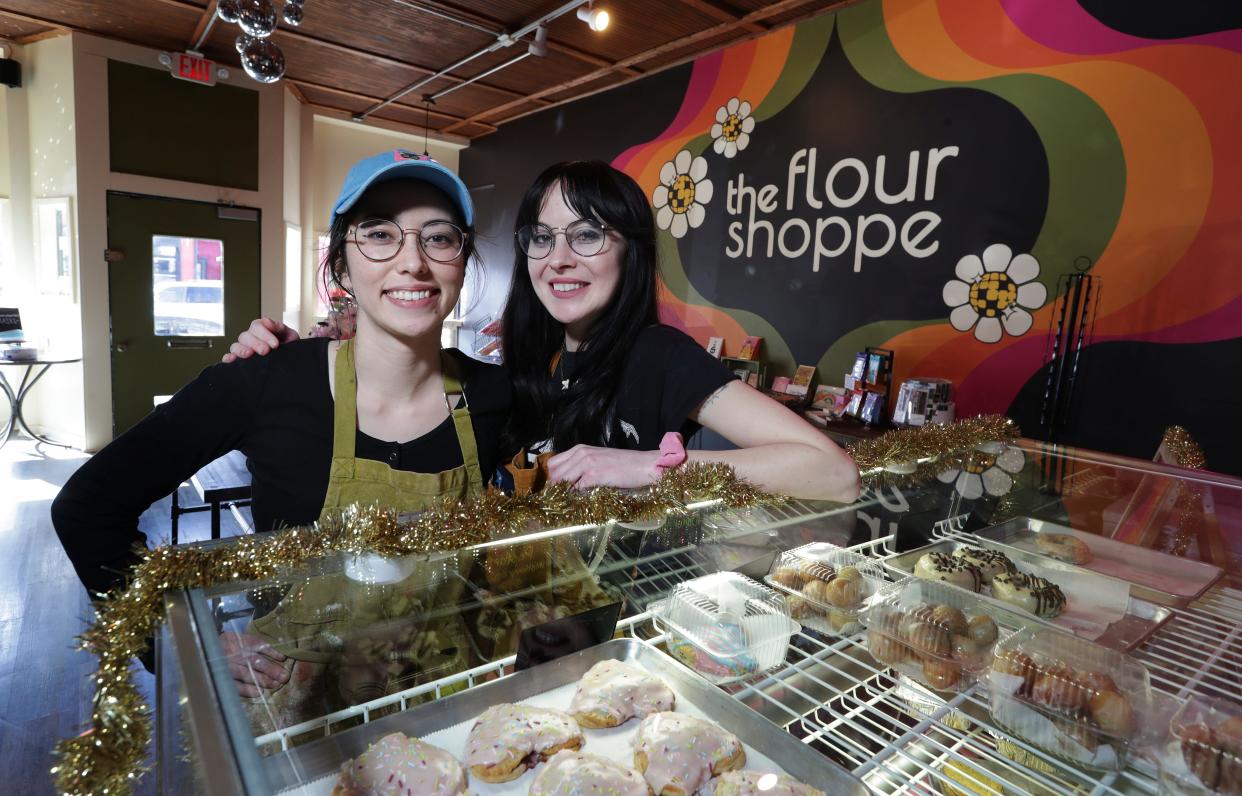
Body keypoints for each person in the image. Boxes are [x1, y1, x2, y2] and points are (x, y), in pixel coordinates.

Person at [52, 150, 510, 707]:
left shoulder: (496, 396)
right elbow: (87, 508)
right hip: (300, 716)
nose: (412, 262)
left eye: (438, 237)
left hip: (448, 698)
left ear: (462, 260)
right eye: (378, 234)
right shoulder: (266, 382)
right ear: (341, 265)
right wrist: (185, 640)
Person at [226, 161, 860, 502]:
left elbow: (831, 473)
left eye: (587, 234)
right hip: (521, 626)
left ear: (629, 252)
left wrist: (646, 467)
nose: (559, 259)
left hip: (621, 634)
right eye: (543, 237)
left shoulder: (658, 356)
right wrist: (287, 366)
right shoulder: (521, 368)